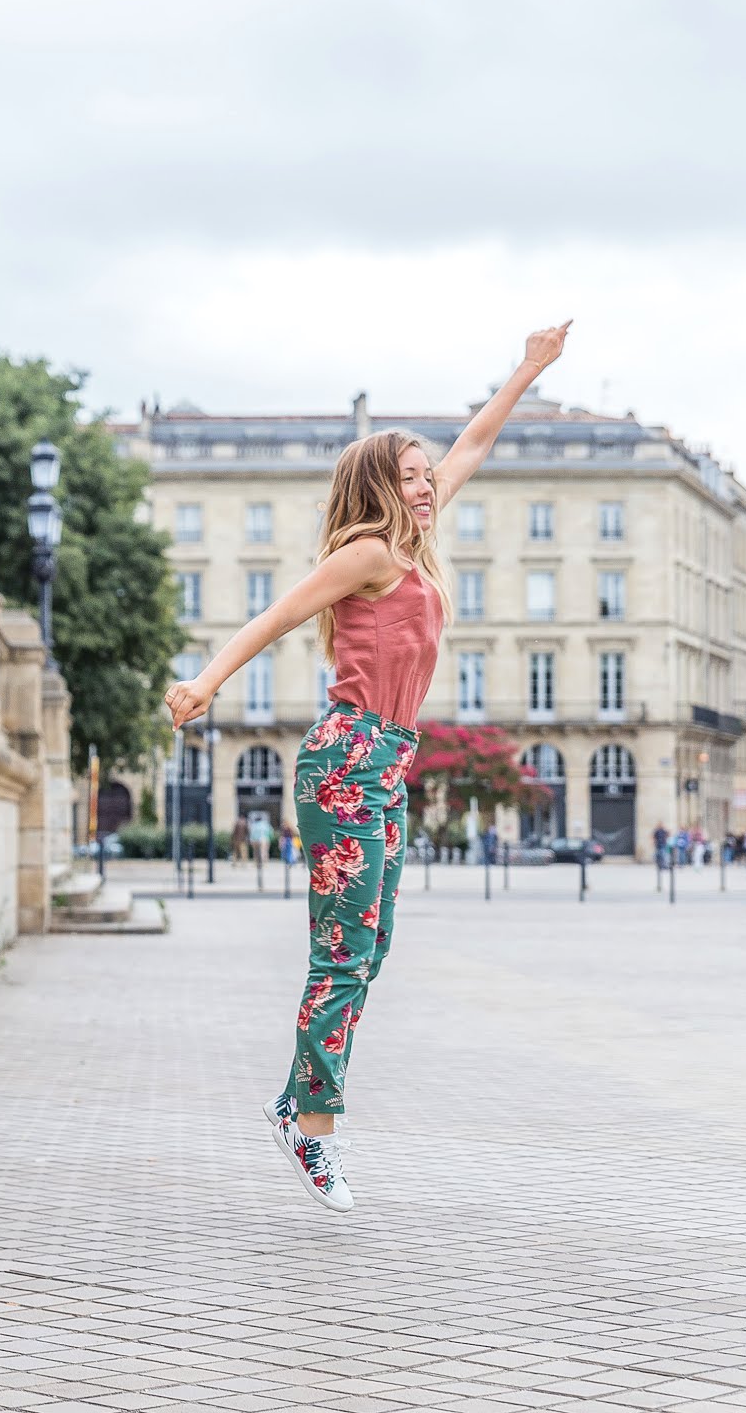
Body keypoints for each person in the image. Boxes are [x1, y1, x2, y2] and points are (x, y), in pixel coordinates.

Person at [164, 319, 572, 1214]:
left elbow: (473, 444)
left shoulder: (414, 550)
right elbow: (275, 616)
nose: (428, 488)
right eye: (412, 478)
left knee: (372, 943)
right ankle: (311, 1130)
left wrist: (528, 369)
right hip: (347, 755)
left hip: (385, 761)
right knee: (342, 953)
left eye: (429, 479)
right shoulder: (368, 554)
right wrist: (206, 680)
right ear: (378, 487)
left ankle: (294, 1101)